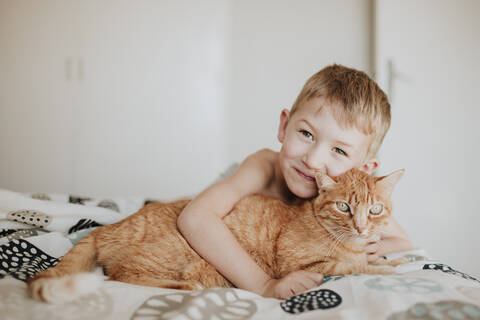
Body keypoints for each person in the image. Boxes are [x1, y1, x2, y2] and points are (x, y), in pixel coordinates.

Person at [177, 64, 413, 300]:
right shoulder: (262, 168)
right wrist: (263, 285)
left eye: (339, 151)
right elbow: (195, 217)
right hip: (209, 202)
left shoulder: (344, 196)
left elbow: (402, 241)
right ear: (284, 127)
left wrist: (371, 248)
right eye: (306, 134)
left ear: (362, 170)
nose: (313, 161)